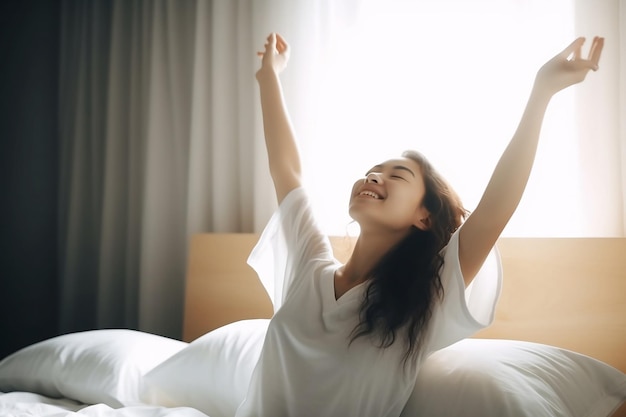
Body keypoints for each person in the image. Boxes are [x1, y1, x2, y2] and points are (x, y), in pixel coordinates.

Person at [234, 33, 604, 417]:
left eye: (398, 176)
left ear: (424, 216)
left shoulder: (424, 297)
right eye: (372, 171)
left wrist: (542, 92)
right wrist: (269, 77)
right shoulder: (308, 268)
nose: (374, 177)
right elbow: (288, 171)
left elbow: (494, 211)